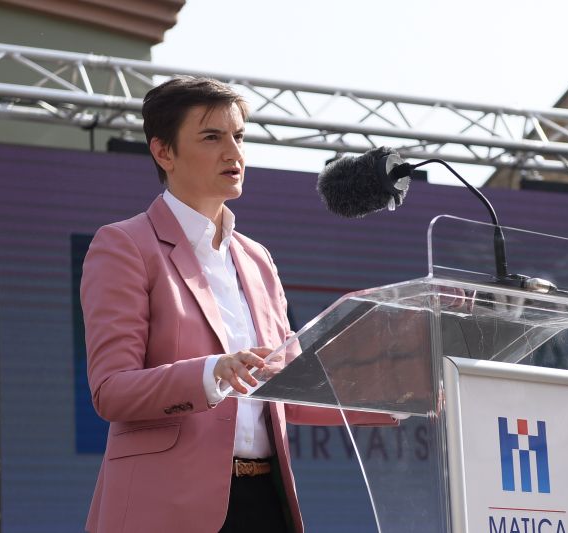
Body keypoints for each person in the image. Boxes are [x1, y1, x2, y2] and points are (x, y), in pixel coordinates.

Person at [80, 76, 393, 533]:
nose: (234, 153)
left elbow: (289, 387)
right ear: (163, 152)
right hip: (167, 506)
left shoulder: (257, 258)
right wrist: (213, 372)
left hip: (266, 501)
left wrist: (401, 397)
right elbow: (112, 390)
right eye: (212, 137)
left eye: (239, 137)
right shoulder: (125, 245)